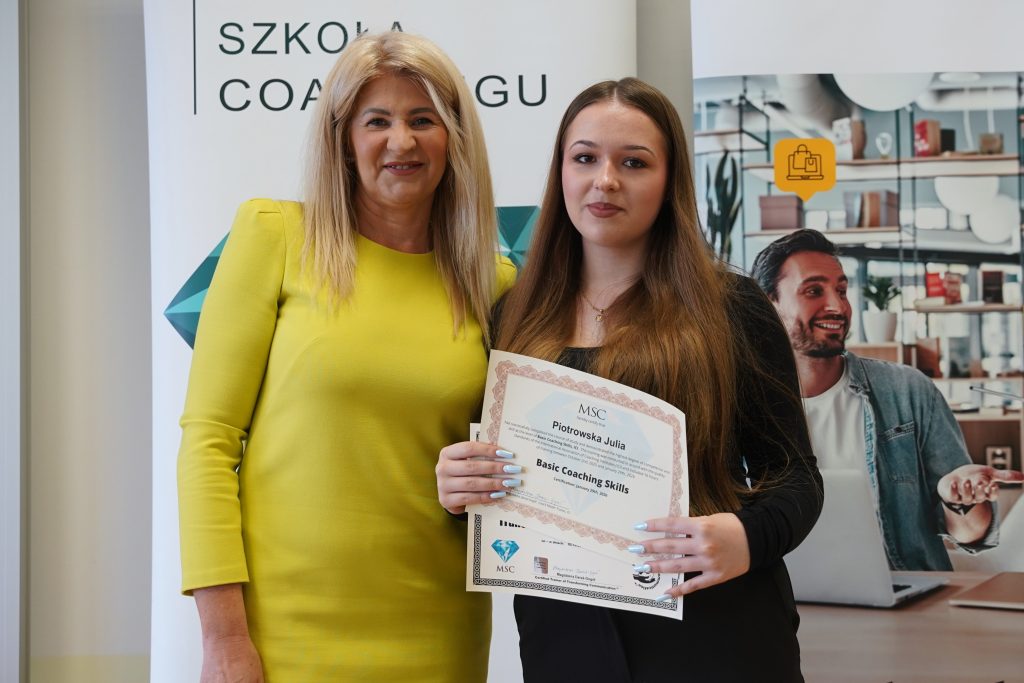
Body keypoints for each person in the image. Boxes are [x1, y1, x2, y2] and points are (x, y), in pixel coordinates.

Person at [435, 78, 823, 682]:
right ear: (561, 173)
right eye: (585, 158)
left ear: (670, 181)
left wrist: (745, 537)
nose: (606, 180)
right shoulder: (513, 318)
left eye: (634, 163)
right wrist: (463, 490)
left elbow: (797, 477)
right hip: (564, 648)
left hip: (717, 643)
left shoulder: (732, 308)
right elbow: (512, 495)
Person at [176, 31, 515, 682]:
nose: (401, 142)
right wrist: (224, 638)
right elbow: (208, 443)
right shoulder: (274, 236)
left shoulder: (493, 284)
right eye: (377, 121)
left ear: (455, 139)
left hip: (439, 631)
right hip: (281, 631)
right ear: (342, 139)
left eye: (424, 120)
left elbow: (512, 467)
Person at [751, 228, 1024, 571]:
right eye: (814, 291)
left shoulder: (907, 390)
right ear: (768, 304)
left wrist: (960, 500)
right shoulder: (742, 406)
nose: (837, 306)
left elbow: (970, 535)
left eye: (842, 290)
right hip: (785, 598)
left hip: (900, 590)